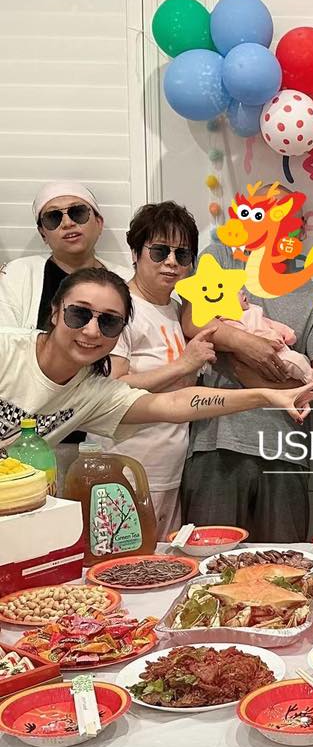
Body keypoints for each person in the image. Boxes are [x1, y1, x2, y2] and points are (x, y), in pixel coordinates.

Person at [0, 267, 313, 460]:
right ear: (55, 311)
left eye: (110, 322)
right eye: (79, 314)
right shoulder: (7, 350)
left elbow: (176, 403)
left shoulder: (93, 392)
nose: (91, 331)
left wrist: (266, 395)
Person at [180, 194, 313, 544]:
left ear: (301, 230)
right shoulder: (222, 259)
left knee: (284, 568)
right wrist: (246, 344)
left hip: (285, 453)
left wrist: (250, 375)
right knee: (210, 565)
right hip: (215, 444)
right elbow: (192, 320)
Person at [86, 202, 214, 538]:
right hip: (122, 471)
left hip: (169, 472)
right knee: (121, 562)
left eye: (182, 254)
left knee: (163, 563)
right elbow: (111, 389)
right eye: (159, 251)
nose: (171, 262)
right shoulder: (117, 308)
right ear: (135, 252)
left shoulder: (178, 310)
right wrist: (183, 364)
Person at [0, 182, 134, 488]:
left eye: (77, 212)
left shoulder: (128, 282)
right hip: (23, 441)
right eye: (53, 217)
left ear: (99, 222)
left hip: (101, 438)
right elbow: (14, 353)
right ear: (42, 233)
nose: (67, 223)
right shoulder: (18, 275)